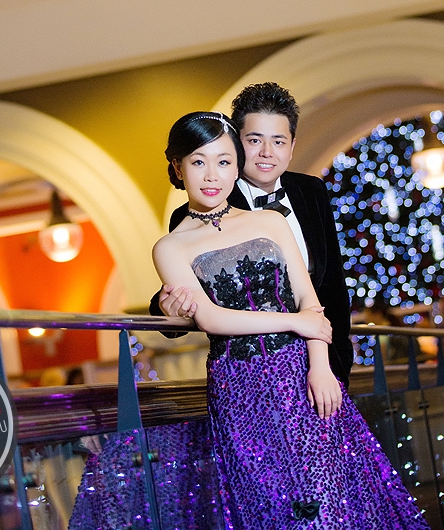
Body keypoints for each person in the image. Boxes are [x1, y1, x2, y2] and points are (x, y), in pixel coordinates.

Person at [151, 111, 429, 529]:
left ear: (237, 166)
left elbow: (309, 300)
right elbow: (211, 318)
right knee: (269, 505)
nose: (212, 175)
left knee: (331, 493)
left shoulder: (270, 221)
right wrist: (293, 323)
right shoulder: (170, 246)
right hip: (237, 386)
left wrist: (321, 367)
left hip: (300, 374)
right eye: (198, 162)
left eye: (224, 161)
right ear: (178, 167)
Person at [151, 82, 353, 386]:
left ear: (292, 146)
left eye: (278, 141)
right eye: (255, 140)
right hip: (246, 370)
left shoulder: (311, 190)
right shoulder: (202, 205)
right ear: (236, 144)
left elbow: (333, 286)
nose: (266, 153)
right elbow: (198, 289)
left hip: (321, 360)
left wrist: (337, 363)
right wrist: (165, 309)